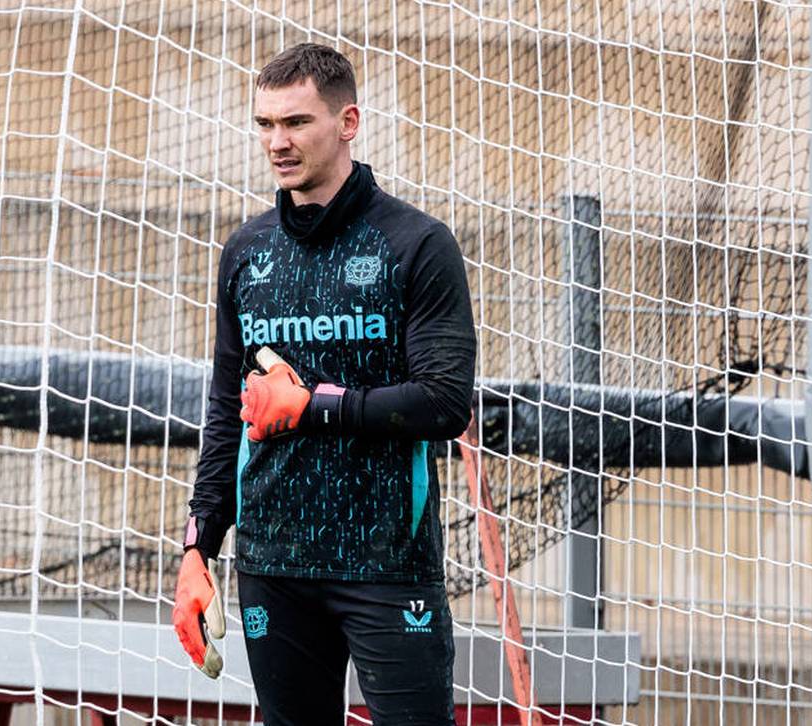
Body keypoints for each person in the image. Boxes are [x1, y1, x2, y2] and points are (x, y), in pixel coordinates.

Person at [170, 42, 477, 726]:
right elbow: (227, 411)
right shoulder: (246, 254)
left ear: (348, 122)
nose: (278, 143)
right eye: (265, 125)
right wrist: (198, 547)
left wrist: (314, 407)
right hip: (274, 565)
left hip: (388, 565)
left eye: (297, 123)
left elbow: (444, 402)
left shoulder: (416, 245)